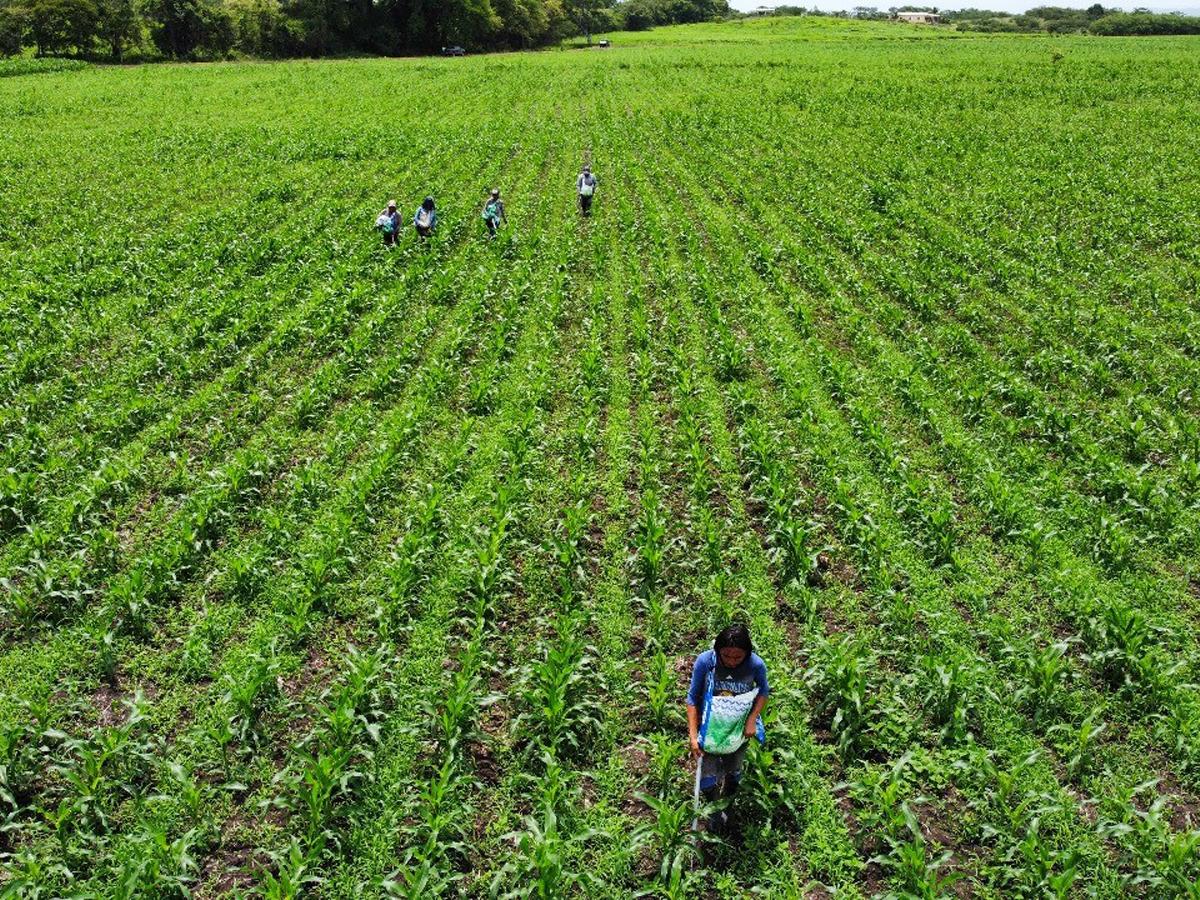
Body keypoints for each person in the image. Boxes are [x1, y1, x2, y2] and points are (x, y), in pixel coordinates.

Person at [686, 623, 769, 835]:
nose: (731, 661)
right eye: (726, 656)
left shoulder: (756, 665)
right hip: (710, 730)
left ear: (747, 654)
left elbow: (763, 693)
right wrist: (693, 736)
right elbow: (692, 699)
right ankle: (714, 812)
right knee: (707, 781)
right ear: (717, 651)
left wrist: (752, 719)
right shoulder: (706, 662)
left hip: (737, 730)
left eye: (737, 657)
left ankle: (728, 806)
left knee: (734, 773)